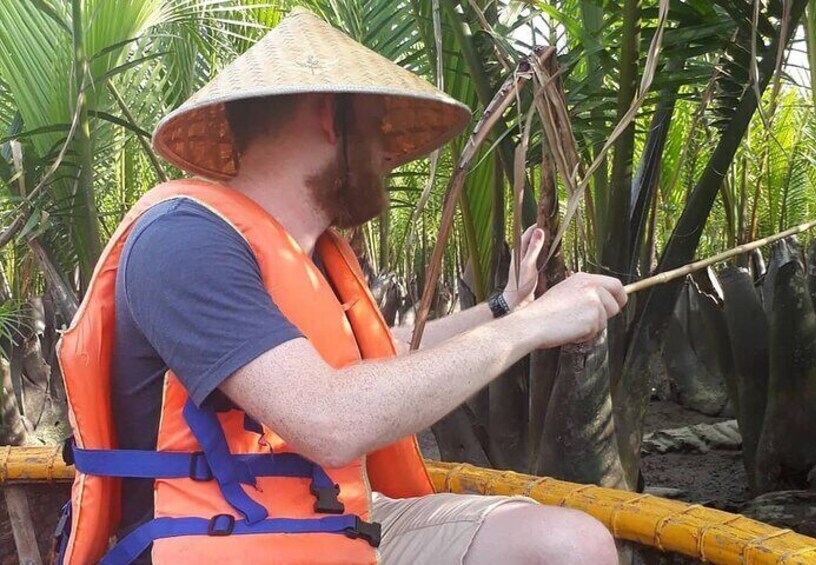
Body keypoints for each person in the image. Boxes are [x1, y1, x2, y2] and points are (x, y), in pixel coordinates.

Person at [58, 9, 624, 565]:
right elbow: (328, 419)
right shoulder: (182, 242)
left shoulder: (313, 255)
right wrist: (531, 328)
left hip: (329, 520)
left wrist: (505, 308)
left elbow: (383, 357)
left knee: (572, 546)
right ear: (331, 117)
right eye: (379, 126)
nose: (388, 154)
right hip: (216, 537)